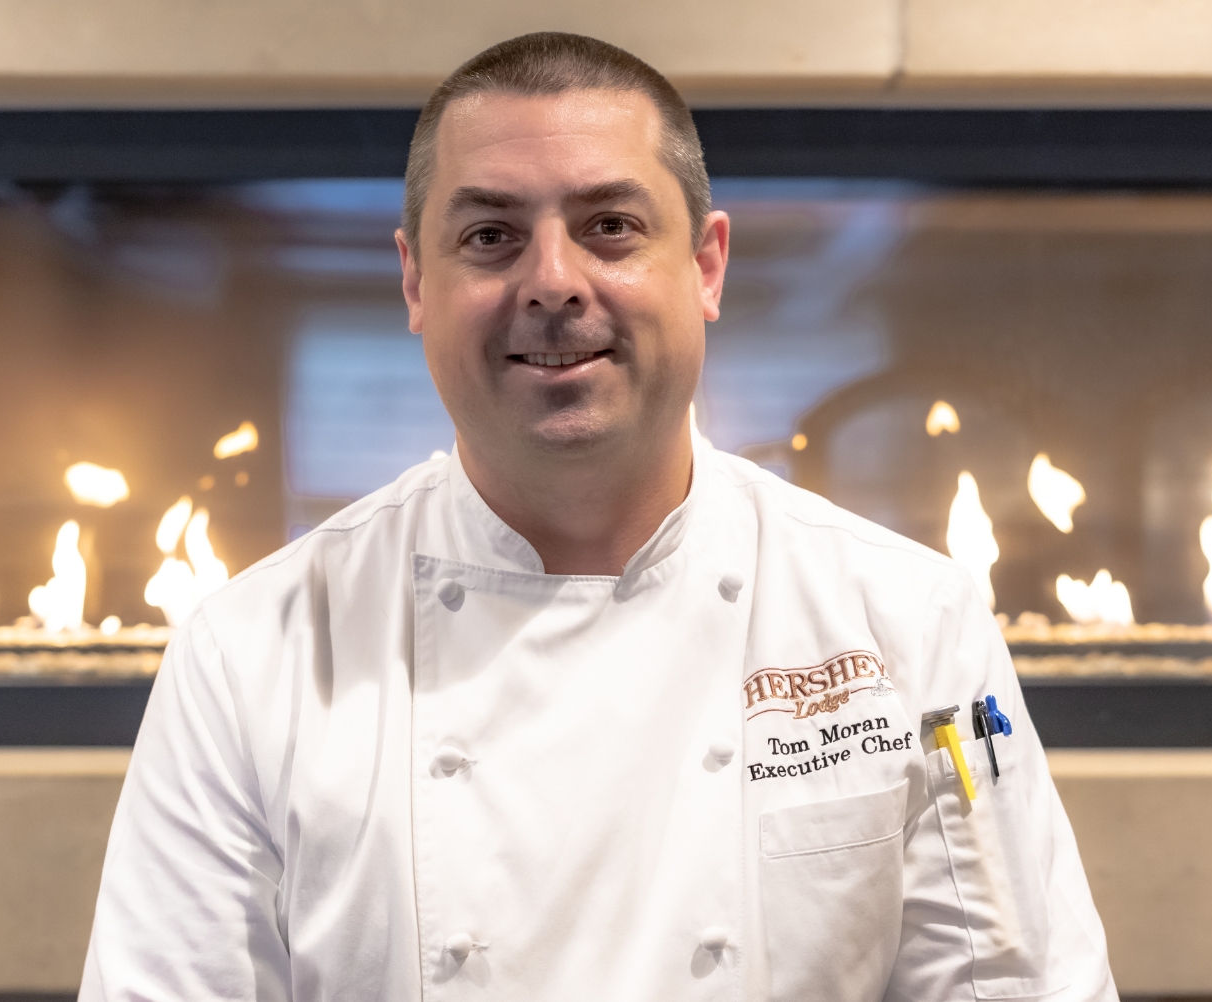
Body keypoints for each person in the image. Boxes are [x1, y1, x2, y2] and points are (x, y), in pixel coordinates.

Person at [81, 31, 1116, 1002]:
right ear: (414, 280)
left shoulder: (915, 626)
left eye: (609, 227)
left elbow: (1014, 981)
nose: (553, 282)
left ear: (706, 264)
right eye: (489, 236)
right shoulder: (250, 655)